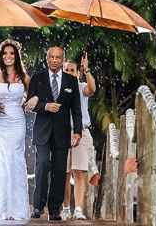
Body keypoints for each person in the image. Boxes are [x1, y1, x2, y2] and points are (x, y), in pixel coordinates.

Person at [25, 46, 82, 221]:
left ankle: (54, 209)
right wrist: (45, 106)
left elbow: (76, 109)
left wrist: (78, 131)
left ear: (62, 59)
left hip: (62, 133)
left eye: (58, 57)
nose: (55, 60)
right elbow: (29, 103)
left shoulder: (71, 81)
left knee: (59, 171)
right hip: (42, 131)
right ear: (47, 58)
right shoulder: (38, 77)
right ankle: (38, 206)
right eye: (52, 57)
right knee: (42, 166)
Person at [0, 38, 34, 220]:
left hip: (16, 122)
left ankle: (16, 209)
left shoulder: (25, 78)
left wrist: (31, 101)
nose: (8, 56)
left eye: (12, 53)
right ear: (0, 56)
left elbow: (34, 97)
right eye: (5, 53)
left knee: (15, 161)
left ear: (17, 56)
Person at [61, 53, 96, 220]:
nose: (68, 72)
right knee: (64, 174)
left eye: (72, 70)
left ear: (77, 72)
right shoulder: (58, 88)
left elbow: (92, 89)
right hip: (62, 133)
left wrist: (86, 69)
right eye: (66, 69)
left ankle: (79, 209)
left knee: (79, 172)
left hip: (80, 132)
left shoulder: (82, 86)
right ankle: (66, 207)